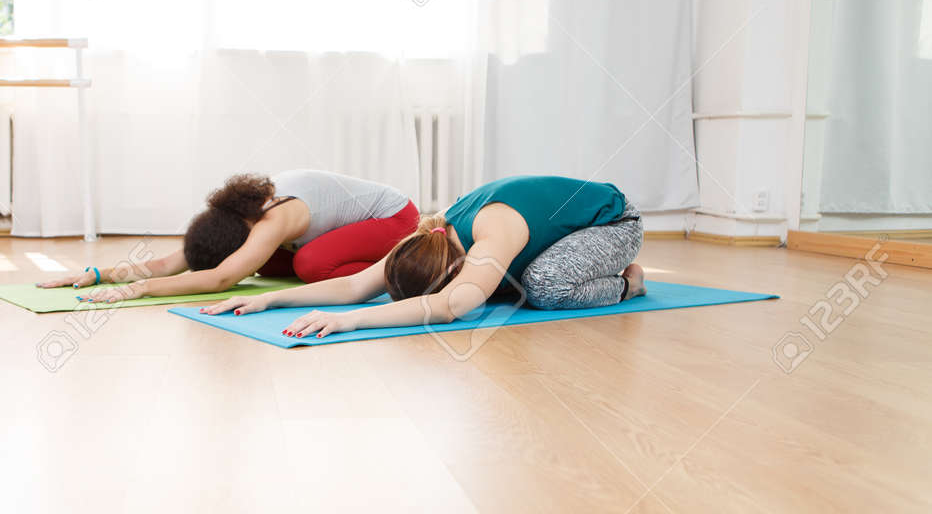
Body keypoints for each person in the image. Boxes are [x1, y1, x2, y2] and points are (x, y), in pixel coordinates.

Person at [201, 175, 646, 337]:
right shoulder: (427, 234)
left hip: (611, 224)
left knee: (542, 287)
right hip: (547, 231)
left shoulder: (493, 233)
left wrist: (352, 321)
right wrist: (269, 299)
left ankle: (629, 283)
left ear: (454, 271)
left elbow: (453, 305)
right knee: (505, 288)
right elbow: (358, 284)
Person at [37, 170, 419, 303]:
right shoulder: (229, 218)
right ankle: (358, 262)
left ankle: (402, 264)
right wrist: (100, 274)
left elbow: (222, 277)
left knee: (308, 265)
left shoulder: (272, 221)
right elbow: (171, 263)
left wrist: (141, 290)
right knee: (268, 262)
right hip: (344, 228)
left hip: (395, 219)